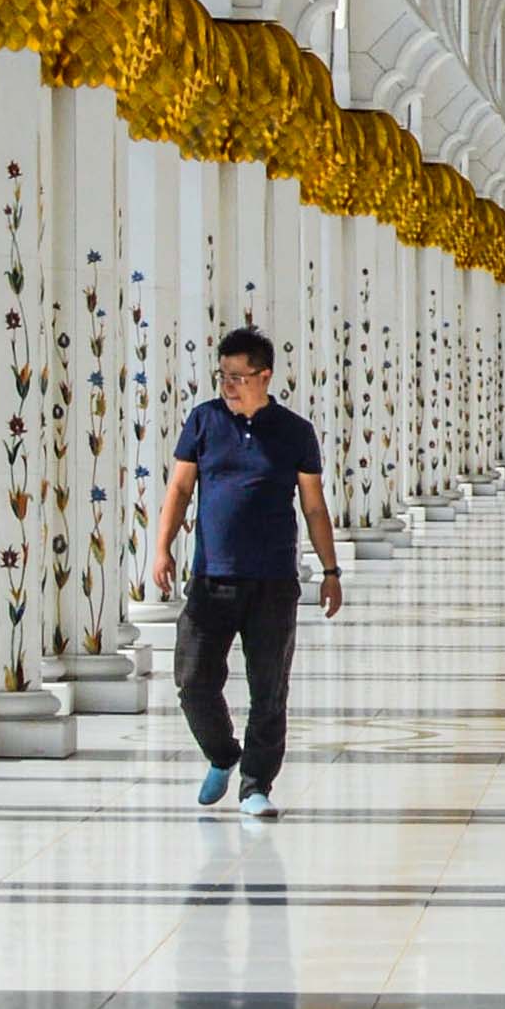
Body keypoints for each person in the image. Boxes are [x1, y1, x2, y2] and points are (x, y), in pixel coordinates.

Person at [146, 319, 340, 819]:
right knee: (193, 679)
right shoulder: (204, 421)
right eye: (223, 376)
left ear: (264, 376)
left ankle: (256, 785)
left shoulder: (295, 433)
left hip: (273, 580)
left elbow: (314, 507)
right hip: (212, 578)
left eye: (238, 376)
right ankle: (222, 754)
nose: (229, 386)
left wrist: (330, 571)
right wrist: (162, 548)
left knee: (269, 687)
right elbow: (180, 489)